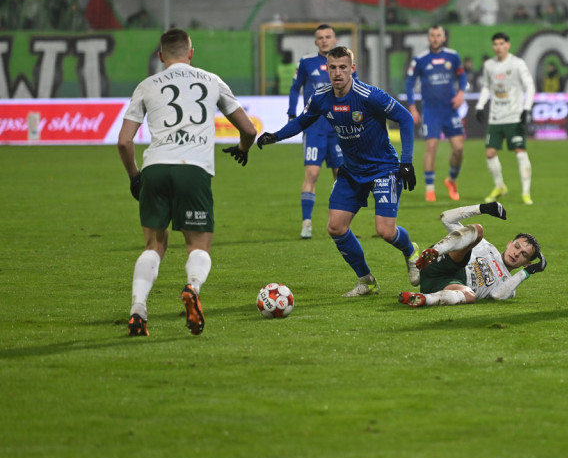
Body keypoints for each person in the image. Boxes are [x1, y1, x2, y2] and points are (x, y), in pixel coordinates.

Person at [117, 28, 257, 337]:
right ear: (190, 53)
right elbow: (248, 130)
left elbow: (125, 143)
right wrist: (243, 150)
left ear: (160, 56)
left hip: (154, 167)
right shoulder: (211, 80)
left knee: (154, 245)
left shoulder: (147, 85)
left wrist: (134, 178)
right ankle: (192, 288)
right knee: (198, 244)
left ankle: (138, 309)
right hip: (193, 169)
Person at [257, 46, 421, 296]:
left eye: (343, 67)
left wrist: (406, 162)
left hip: (383, 169)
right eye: (332, 67)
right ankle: (366, 280)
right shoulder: (321, 97)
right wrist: (276, 135)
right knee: (335, 227)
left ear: (352, 69)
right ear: (326, 69)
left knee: (386, 232)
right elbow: (303, 121)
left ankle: (410, 251)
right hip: (352, 171)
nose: (337, 73)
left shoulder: (369, 95)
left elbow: (406, 118)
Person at [397, 202, 546, 307]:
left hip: (446, 286)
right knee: (478, 231)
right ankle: (435, 252)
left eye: (524, 254)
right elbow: (446, 218)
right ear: (509, 243)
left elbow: (496, 296)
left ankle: (423, 299)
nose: (516, 253)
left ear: (526, 263)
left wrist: (526, 273)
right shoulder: (487, 247)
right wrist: (482, 208)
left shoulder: (510, 285)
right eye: (516, 246)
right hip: (443, 264)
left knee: (470, 296)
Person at [287, 23, 344, 239]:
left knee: (341, 176)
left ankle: (339, 222)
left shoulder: (343, 62)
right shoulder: (306, 62)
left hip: (339, 128)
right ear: (315, 42)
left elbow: (354, 89)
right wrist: (292, 114)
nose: (324, 40)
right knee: (312, 173)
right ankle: (307, 222)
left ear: (335, 39)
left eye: (328, 36)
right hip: (314, 128)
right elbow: (295, 88)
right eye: (320, 37)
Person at [404, 25, 468, 202]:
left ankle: (451, 181)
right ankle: (430, 190)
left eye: (438, 35)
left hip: (450, 110)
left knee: (459, 149)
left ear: (443, 37)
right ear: (428, 37)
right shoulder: (420, 59)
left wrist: (461, 92)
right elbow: (409, 83)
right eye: (432, 35)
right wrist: (412, 107)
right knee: (431, 147)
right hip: (431, 111)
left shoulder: (453, 56)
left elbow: (462, 77)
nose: (435, 38)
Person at [475, 32, 536, 205]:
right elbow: (487, 87)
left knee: (520, 152)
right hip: (496, 117)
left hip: (514, 116)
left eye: (501, 43)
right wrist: (480, 105)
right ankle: (500, 186)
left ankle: (526, 193)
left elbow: (529, 86)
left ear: (508, 45)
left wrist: (527, 108)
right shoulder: (489, 65)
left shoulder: (517, 64)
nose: (498, 47)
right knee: (490, 153)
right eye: (495, 44)